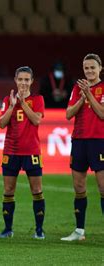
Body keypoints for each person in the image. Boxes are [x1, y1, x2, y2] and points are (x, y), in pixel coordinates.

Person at [0, 66, 46, 239]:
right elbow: (2, 124)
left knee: (37, 189)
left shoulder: (38, 99)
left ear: (32, 81)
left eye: (27, 80)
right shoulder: (7, 99)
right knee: (8, 190)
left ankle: (39, 230)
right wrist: (12, 105)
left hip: (31, 151)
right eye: (20, 79)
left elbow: (36, 119)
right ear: (15, 80)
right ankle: (7, 229)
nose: (23, 83)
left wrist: (23, 103)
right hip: (11, 151)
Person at [61, 53, 104, 241]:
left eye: (92, 67)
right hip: (78, 140)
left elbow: (102, 114)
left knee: (103, 187)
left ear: (100, 68)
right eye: (86, 68)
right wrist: (81, 97)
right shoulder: (77, 88)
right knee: (79, 186)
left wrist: (88, 94)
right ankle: (79, 231)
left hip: (99, 141)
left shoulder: (103, 88)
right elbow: (68, 114)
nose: (89, 71)